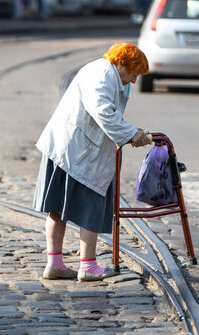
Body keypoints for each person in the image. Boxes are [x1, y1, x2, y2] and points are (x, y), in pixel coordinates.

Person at [33, 42, 152, 282]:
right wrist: (130, 133)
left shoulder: (103, 72)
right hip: (77, 152)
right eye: (134, 73)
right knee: (91, 207)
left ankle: (55, 264)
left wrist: (127, 132)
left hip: (70, 149)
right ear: (121, 64)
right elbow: (103, 111)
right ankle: (87, 266)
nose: (134, 80)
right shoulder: (101, 74)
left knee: (57, 209)